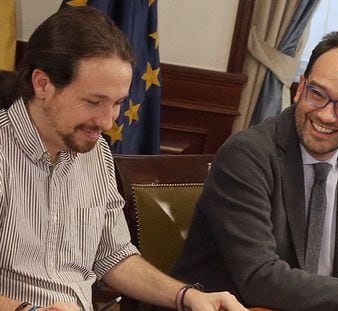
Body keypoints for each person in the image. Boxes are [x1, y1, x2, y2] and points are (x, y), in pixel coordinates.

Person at [0, 6, 248, 311]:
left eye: (117, 103)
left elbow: (113, 256)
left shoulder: (95, 151)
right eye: (94, 102)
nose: (107, 122)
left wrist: (188, 296)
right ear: (42, 85)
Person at [172, 31, 338, 311]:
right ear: (300, 88)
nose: (325, 114)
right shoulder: (246, 155)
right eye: (317, 94)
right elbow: (260, 278)